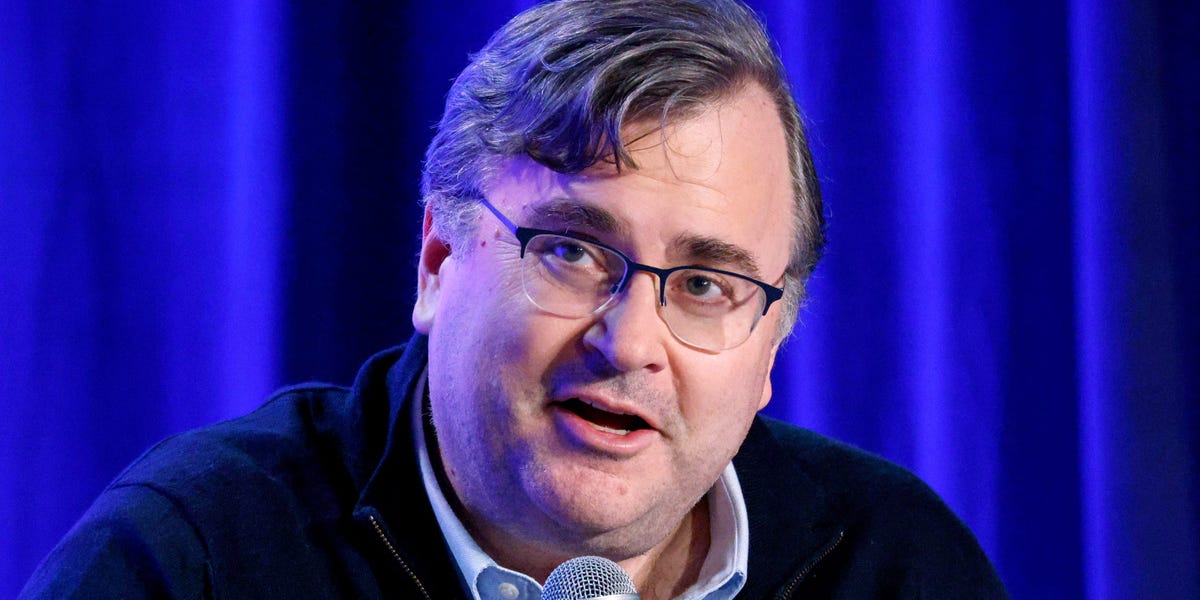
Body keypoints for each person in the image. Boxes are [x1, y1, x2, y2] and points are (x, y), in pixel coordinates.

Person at [21, 0, 1009, 598]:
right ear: (437, 260)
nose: (630, 341)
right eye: (572, 251)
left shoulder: (898, 566)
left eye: (705, 284)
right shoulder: (199, 558)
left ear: (771, 348)